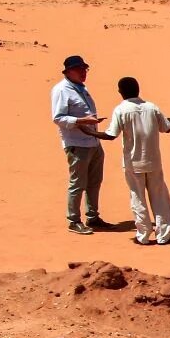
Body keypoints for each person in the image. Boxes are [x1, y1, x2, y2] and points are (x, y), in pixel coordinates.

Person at [103, 75, 170, 244]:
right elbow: (166, 128)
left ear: (120, 92)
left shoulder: (121, 110)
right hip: (153, 161)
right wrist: (167, 121)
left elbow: (110, 134)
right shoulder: (151, 107)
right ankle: (163, 235)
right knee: (159, 197)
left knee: (138, 198)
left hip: (133, 163)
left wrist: (90, 132)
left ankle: (143, 235)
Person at [51, 54, 107, 233]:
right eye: (79, 69)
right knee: (78, 183)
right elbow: (58, 118)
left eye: (85, 69)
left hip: (93, 141)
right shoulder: (61, 90)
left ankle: (93, 217)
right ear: (68, 72)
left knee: (94, 181)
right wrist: (82, 121)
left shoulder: (81, 88)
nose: (83, 72)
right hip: (77, 144)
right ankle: (74, 220)